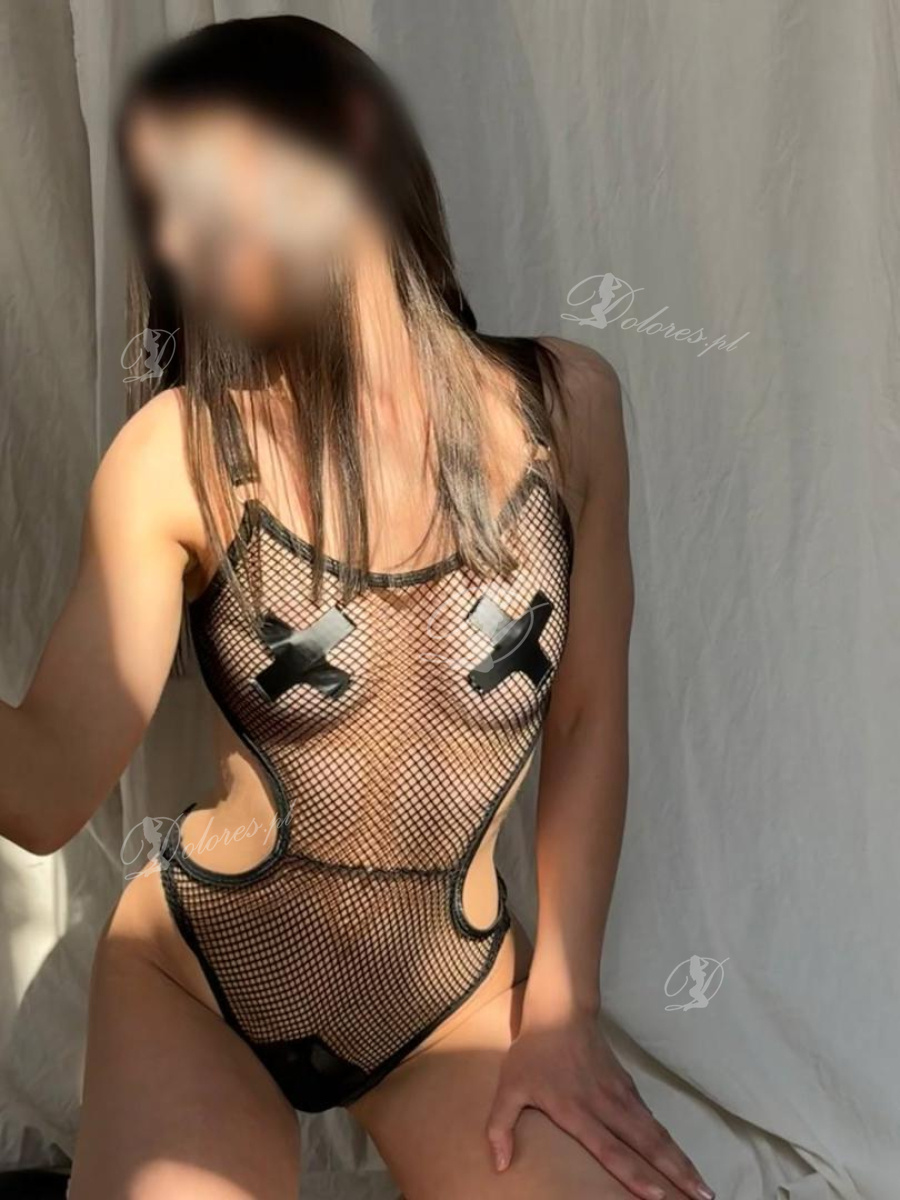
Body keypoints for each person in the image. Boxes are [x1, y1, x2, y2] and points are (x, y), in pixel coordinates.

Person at [0, 17, 714, 1200]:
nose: (171, 236)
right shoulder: (177, 454)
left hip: (457, 1007)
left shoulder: (570, 408)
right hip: (202, 982)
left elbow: (588, 722)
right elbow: (44, 793)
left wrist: (563, 1011)